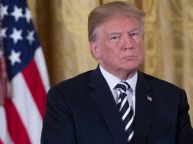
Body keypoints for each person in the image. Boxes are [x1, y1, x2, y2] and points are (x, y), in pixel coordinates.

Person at [41, 1, 193, 144]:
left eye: (134, 34)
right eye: (115, 37)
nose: (128, 44)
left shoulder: (172, 98)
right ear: (96, 50)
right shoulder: (66, 98)